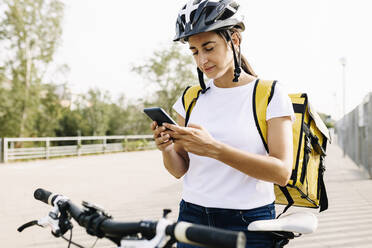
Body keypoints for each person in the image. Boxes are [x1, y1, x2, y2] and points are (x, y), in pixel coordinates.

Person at [150, 0, 295, 247]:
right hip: (193, 217)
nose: (202, 60)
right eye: (195, 52)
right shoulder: (190, 98)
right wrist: (166, 149)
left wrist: (214, 149)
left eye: (208, 47)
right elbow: (179, 169)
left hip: (249, 223)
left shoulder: (270, 93)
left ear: (234, 40)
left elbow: (281, 172)